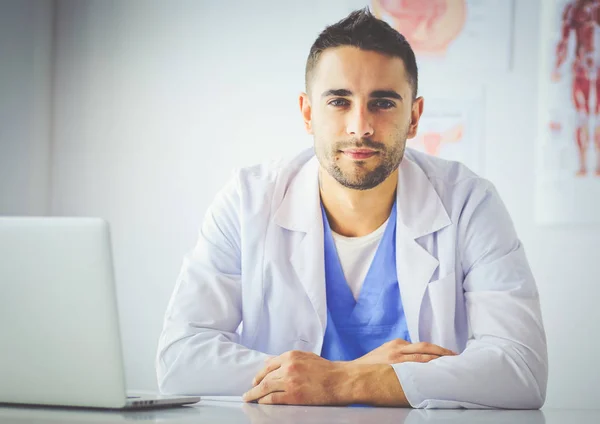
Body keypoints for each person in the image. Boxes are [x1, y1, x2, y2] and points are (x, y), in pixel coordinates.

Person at [156, 8, 547, 408]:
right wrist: (360, 374)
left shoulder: (469, 204)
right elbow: (180, 358)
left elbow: (521, 370)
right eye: (339, 101)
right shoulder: (246, 201)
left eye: (382, 103)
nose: (359, 126)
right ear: (308, 113)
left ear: (414, 116)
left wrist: (342, 381)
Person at [553, 0, 600, 176]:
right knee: (581, 116)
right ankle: (582, 163)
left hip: (593, 69)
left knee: (595, 116)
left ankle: (595, 165)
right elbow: (564, 39)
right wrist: (557, 66)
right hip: (582, 71)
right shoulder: (575, 8)